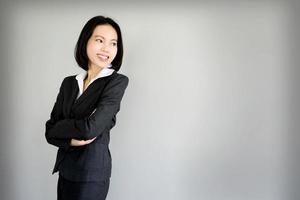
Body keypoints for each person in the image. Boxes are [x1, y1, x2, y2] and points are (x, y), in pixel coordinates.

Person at [45, 15, 129, 200]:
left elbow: (91, 129)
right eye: (100, 40)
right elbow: (49, 131)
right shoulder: (69, 83)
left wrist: (63, 127)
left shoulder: (116, 82)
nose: (107, 48)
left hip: (92, 174)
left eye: (113, 43)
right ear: (86, 41)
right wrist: (71, 141)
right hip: (65, 169)